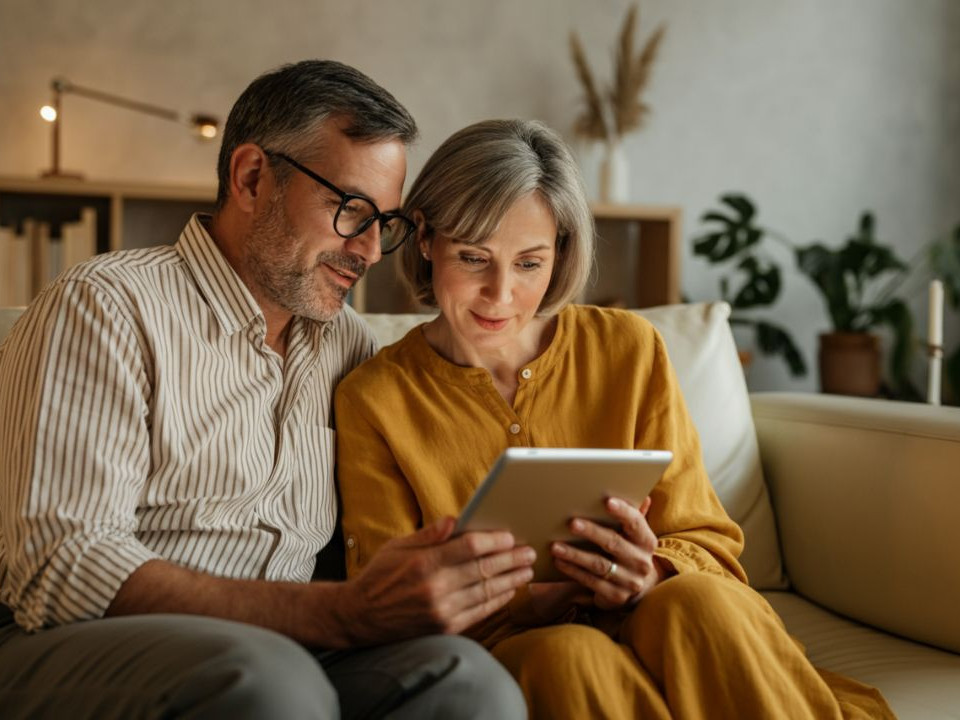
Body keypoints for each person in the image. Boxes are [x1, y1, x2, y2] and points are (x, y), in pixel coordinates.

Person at [0, 61, 534, 720]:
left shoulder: (352, 349)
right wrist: (341, 613)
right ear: (251, 178)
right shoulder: (105, 308)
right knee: (268, 680)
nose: (369, 251)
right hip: (76, 647)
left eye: (385, 223)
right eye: (350, 210)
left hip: (296, 645)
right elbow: (61, 564)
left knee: (466, 680)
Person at [334, 118, 895, 719]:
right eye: (474, 258)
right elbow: (388, 602)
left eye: (529, 263)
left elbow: (709, 540)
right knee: (567, 656)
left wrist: (649, 572)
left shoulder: (629, 348)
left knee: (694, 605)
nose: (500, 295)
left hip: (673, 625)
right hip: (516, 650)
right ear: (425, 239)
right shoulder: (376, 396)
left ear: (562, 253)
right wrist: (526, 604)